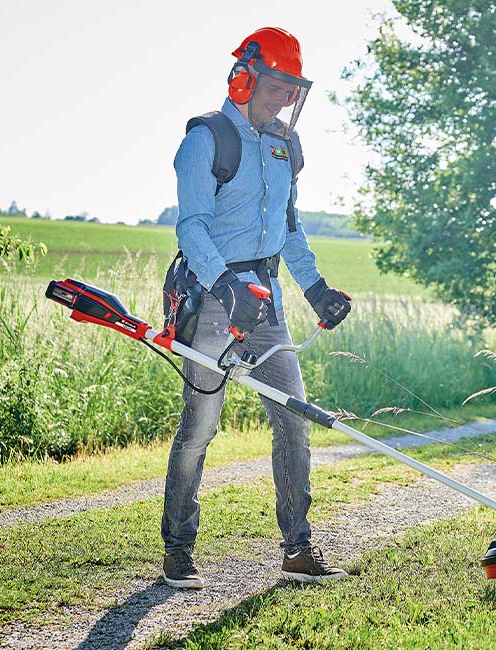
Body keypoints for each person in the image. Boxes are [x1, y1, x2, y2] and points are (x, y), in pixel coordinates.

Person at [161, 26, 353, 589]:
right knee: (200, 427)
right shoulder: (207, 139)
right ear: (244, 78)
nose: (284, 100)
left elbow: (288, 229)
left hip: (267, 304)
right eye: (276, 87)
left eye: (293, 90)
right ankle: (178, 548)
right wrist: (226, 286)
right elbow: (191, 227)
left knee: (293, 419)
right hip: (213, 298)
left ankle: (298, 548)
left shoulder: (281, 146)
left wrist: (315, 287)